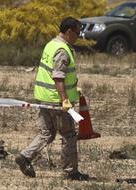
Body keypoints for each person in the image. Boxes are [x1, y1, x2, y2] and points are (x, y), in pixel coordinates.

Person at [15, 17, 90, 181]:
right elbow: (58, 77)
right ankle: (70, 172)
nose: (79, 36)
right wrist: (64, 98)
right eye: (77, 33)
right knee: (69, 135)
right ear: (69, 31)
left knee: (47, 133)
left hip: (44, 98)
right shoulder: (62, 50)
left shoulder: (51, 44)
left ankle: (25, 156)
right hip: (57, 101)